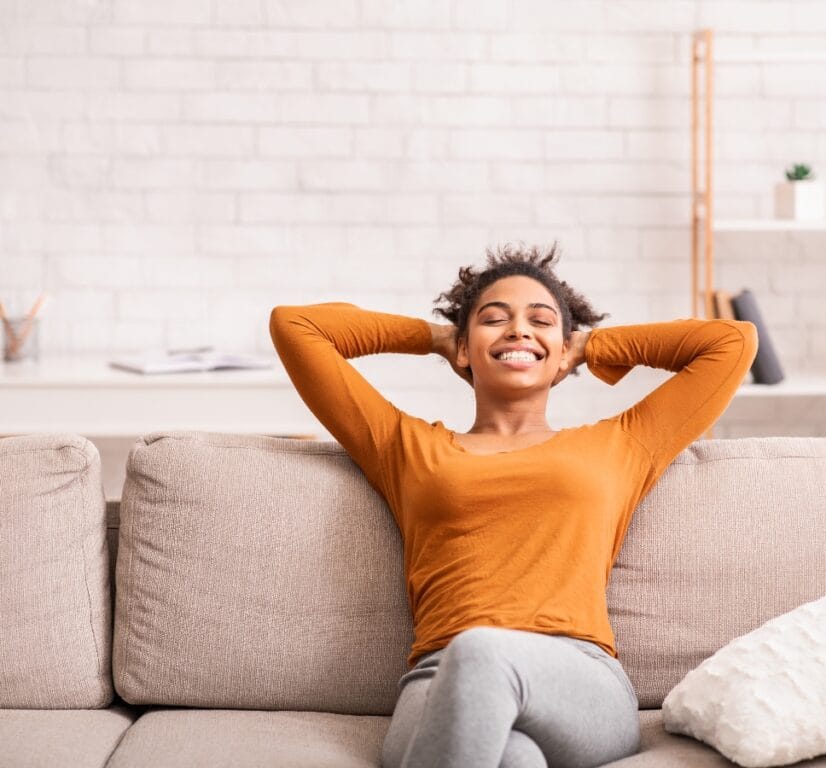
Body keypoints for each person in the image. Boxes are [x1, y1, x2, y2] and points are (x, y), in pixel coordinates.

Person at [268, 243, 758, 768]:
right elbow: (296, 327)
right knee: (514, 758)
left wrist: (588, 345)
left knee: (482, 652)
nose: (519, 330)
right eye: (494, 320)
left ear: (563, 349)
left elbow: (731, 341)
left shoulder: (622, 444)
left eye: (540, 321)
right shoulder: (404, 447)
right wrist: (437, 337)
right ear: (464, 348)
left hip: (577, 678)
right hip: (438, 679)